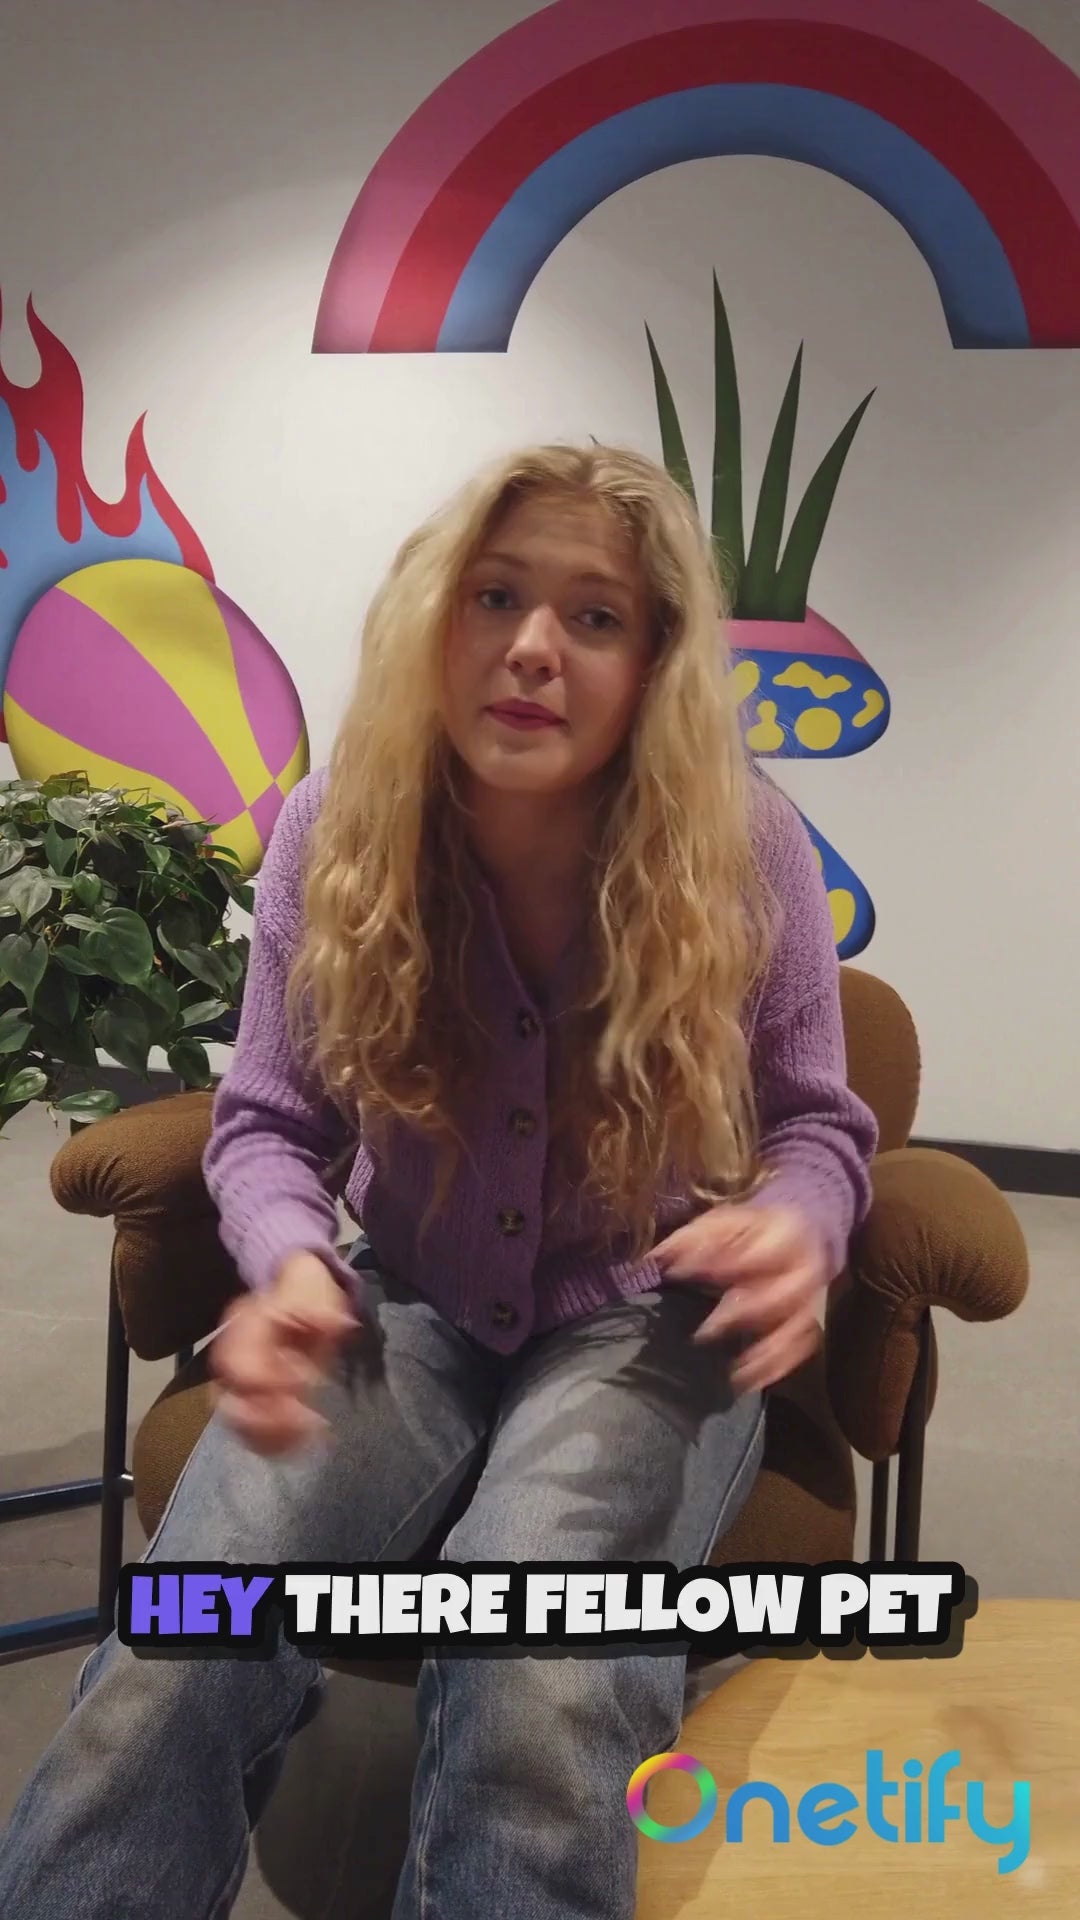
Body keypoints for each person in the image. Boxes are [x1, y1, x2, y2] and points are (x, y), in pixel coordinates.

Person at [0, 442, 877, 1918]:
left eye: (595, 616)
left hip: (651, 1320)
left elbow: (819, 1128)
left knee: (543, 1673)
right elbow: (268, 1124)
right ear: (436, 615)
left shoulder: (743, 844)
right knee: (177, 1651)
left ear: (655, 662)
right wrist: (290, 1258)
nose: (533, 647)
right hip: (401, 1301)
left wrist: (799, 1218)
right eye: (495, 595)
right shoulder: (338, 828)